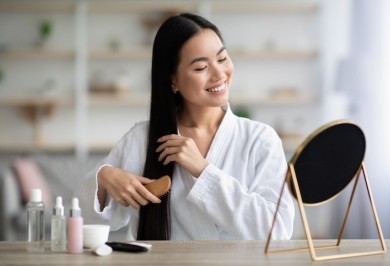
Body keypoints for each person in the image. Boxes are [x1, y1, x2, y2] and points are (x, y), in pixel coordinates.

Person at [74, 13, 295, 241]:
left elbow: (277, 231)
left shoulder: (260, 139)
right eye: (201, 68)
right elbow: (82, 222)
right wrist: (104, 178)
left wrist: (203, 170)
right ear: (173, 81)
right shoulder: (141, 139)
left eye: (222, 59)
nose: (219, 74)